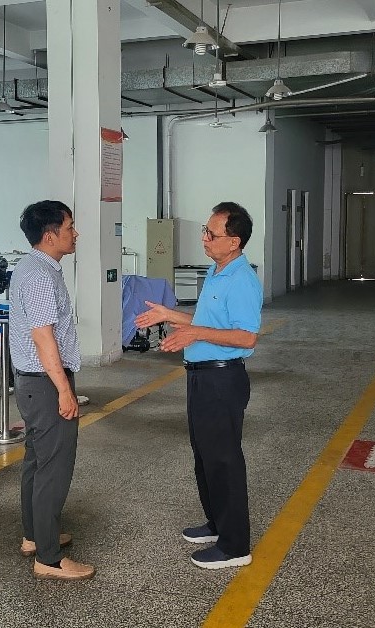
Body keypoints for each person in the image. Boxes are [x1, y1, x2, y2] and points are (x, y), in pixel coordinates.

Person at [136, 201, 263, 569]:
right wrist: (171, 316)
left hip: (222, 378)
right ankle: (217, 524)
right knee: (205, 455)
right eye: (205, 231)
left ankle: (235, 546)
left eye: (212, 233)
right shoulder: (216, 271)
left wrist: (194, 333)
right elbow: (208, 320)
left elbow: (246, 337)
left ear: (234, 241)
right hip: (201, 376)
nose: (204, 238)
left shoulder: (242, 280)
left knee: (224, 459)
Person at [8, 200, 95, 581]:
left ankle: (35, 535)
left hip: (33, 381)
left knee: (37, 461)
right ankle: (49, 558)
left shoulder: (32, 267)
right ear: (49, 236)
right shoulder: (41, 277)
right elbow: (43, 337)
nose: (75, 233)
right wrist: (64, 390)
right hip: (44, 383)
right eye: (69, 227)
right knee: (53, 468)